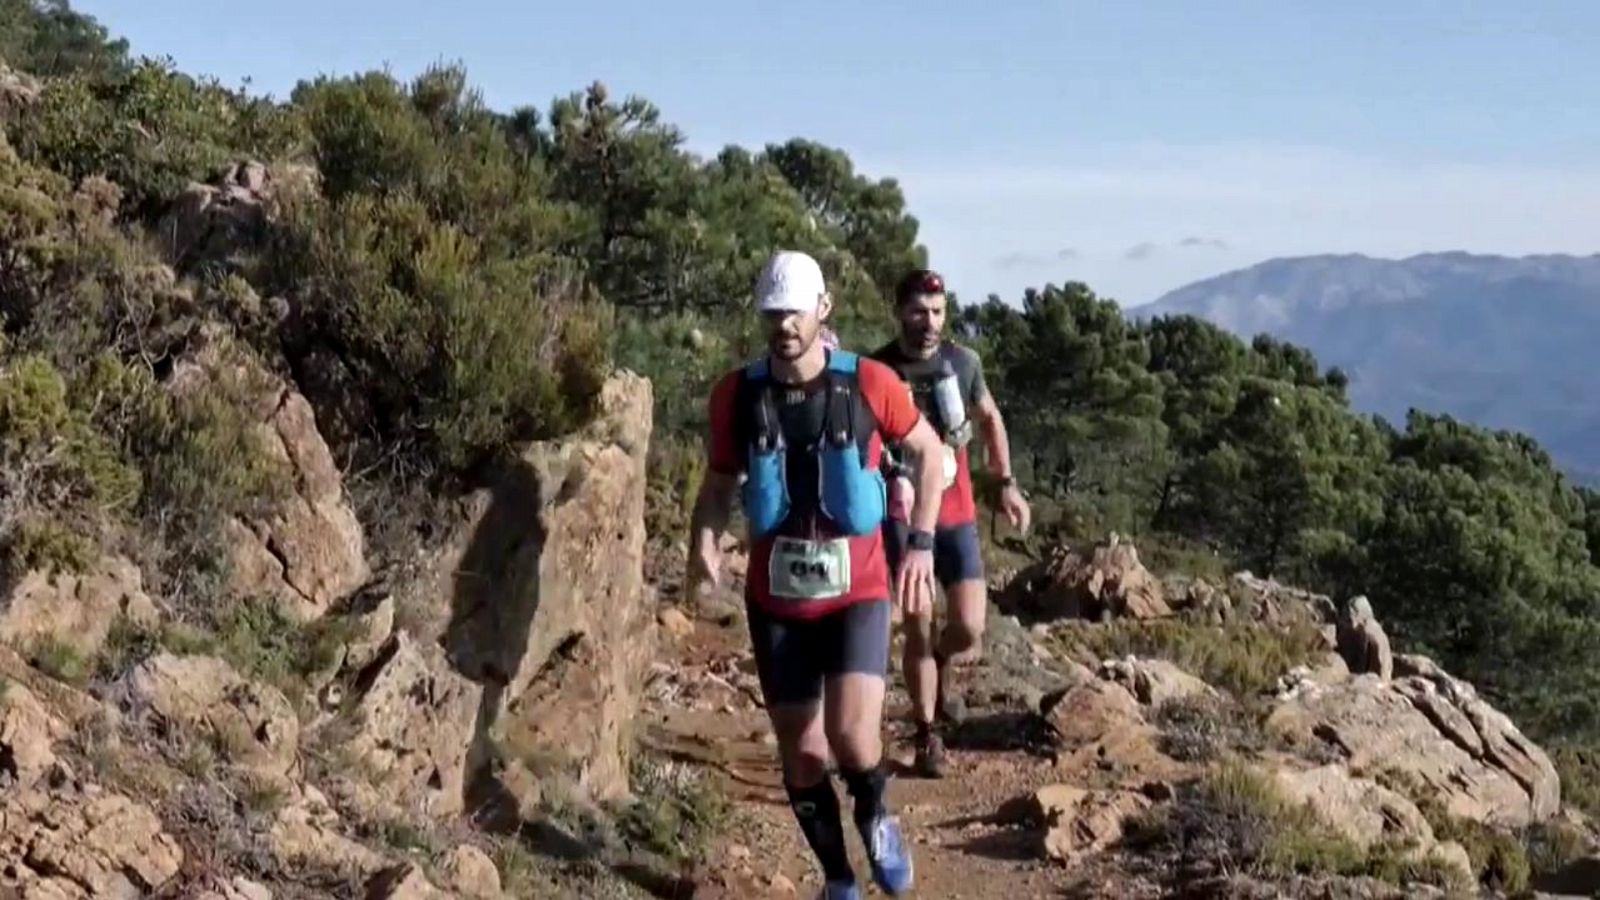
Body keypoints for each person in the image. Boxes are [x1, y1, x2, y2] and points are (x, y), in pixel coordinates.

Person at [688, 250, 947, 899]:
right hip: (777, 601)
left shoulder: (870, 383)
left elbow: (930, 452)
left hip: (856, 592)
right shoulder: (738, 393)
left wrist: (920, 546)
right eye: (773, 313)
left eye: (795, 312)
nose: (784, 326)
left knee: (852, 737)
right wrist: (703, 543)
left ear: (822, 310)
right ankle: (837, 879)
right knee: (802, 754)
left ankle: (878, 816)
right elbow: (719, 481)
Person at [873, 267, 1031, 778]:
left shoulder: (963, 363)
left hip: (956, 512)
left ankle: (942, 665)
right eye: (919, 311)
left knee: (968, 626)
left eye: (937, 312)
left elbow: (990, 418)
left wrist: (1004, 482)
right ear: (899, 311)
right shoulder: (876, 369)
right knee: (917, 624)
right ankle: (926, 734)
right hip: (900, 514)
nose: (929, 322)